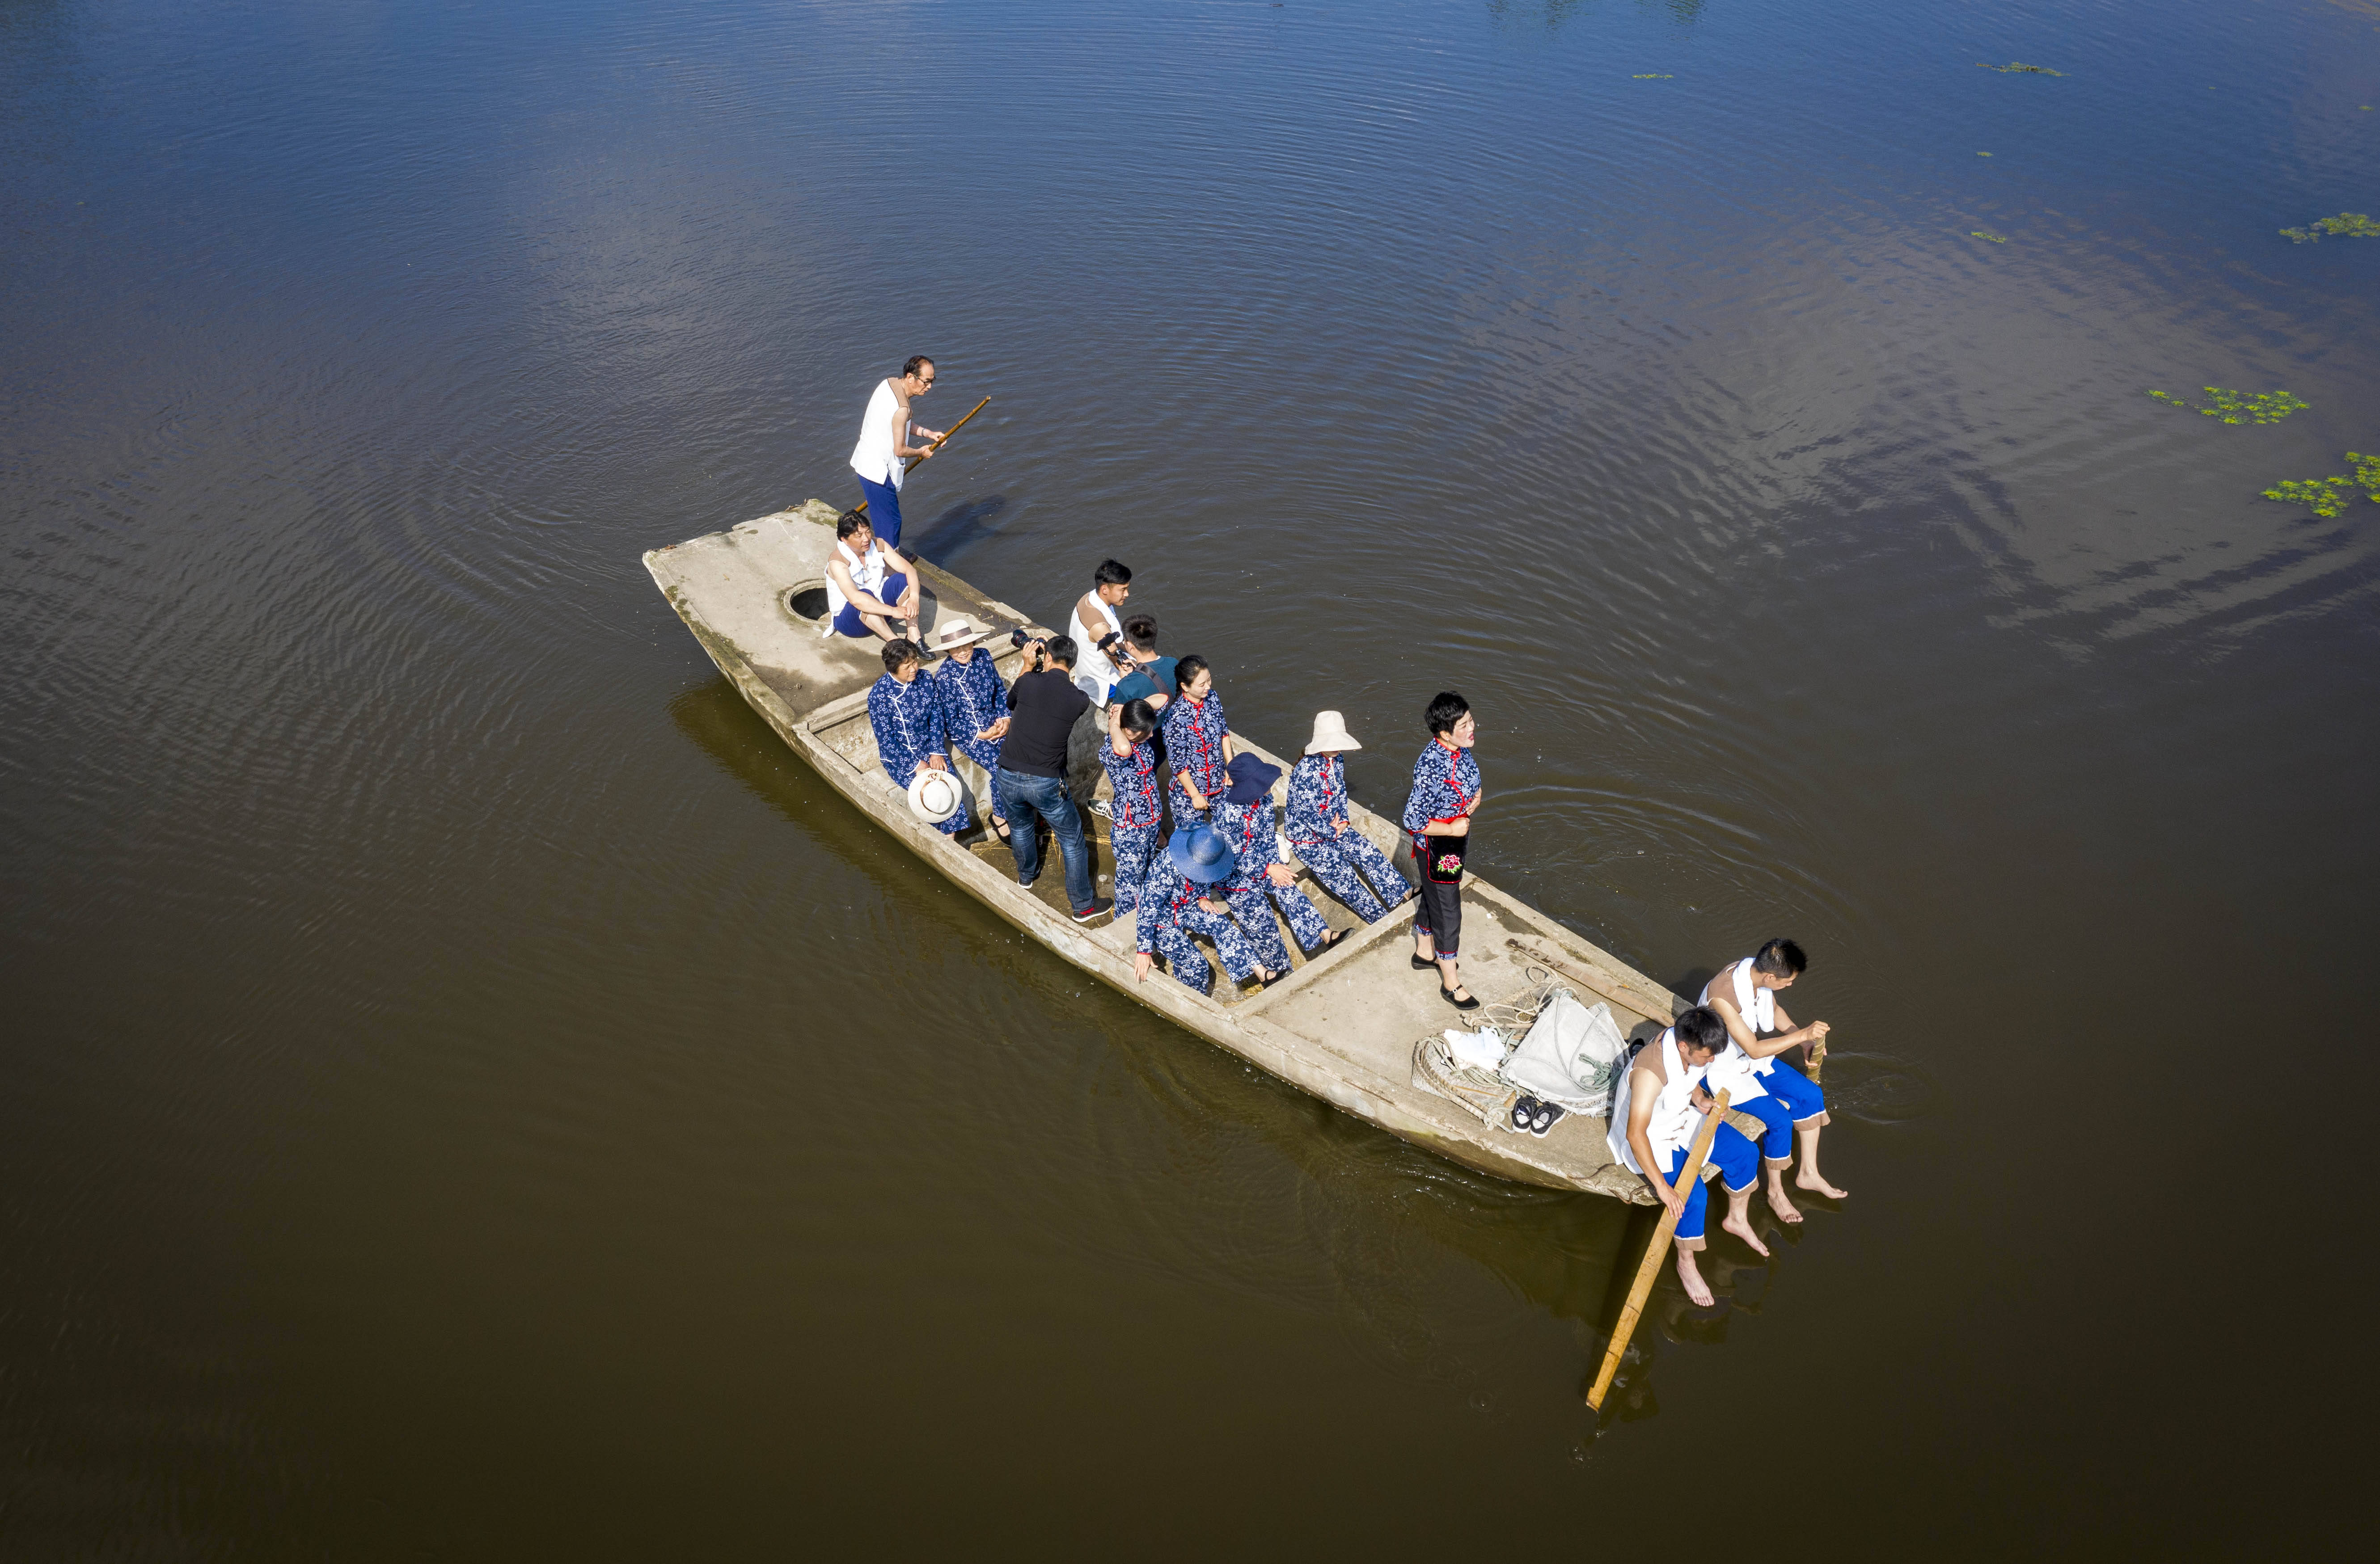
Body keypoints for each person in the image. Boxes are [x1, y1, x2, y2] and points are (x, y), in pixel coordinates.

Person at [1606, 1005, 1767, 1307]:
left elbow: (1691, 1077)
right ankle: (1685, 1261)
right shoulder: (1649, 1075)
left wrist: (1701, 1100)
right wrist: (1663, 1189)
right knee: (1692, 1197)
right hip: (1651, 1138)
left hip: (1679, 1117)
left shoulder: (1687, 1044)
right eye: (1707, 1056)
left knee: (1745, 1153)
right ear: (1684, 1047)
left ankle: (1736, 1218)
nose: (1712, 1061)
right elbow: (1635, 1134)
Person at [1699, 938, 1844, 1211]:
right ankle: (1776, 1193)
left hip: (1749, 1059)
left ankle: (1808, 1174)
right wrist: (1803, 1034)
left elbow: (1775, 1011)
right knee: (1780, 1120)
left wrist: (1799, 1040)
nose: (1790, 985)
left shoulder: (1755, 975)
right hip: (1723, 1070)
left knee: (1810, 1094)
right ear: (1770, 976)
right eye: (1787, 981)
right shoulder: (1722, 997)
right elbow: (1754, 1049)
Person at [994, 635, 1107, 921]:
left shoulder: (1028, 681)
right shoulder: (1079, 700)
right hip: (1046, 782)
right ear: (1073, 663)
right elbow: (1060, 694)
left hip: (1008, 773)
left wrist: (1026, 665)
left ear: (1047, 657)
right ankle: (1083, 907)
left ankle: (1026, 877)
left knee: (1020, 828)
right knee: (1071, 841)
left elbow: (1011, 702)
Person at [1213, 754, 1345, 970]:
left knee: (1288, 889)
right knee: (1260, 919)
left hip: (1265, 861)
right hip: (1234, 874)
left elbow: (1266, 838)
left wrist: (1276, 868)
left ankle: (1325, 934)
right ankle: (1281, 970)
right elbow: (1231, 857)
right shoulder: (1228, 814)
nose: (1268, 786)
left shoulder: (1264, 799)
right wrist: (1267, 869)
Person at [1284, 711, 1410, 923]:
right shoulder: (1305, 771)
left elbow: (1341, 792)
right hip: (1308, 837)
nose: (1338, 747)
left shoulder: (1337, 758)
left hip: (1334, 825)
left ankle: (1401, 893)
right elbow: (1306, 814)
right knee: (1342, 876)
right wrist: (1332, 831)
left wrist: (1343, 820)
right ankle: (1379, 918)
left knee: (1367, 851)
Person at [1403, 690, 1482, 1010]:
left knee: (1436, 896)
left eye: (1470, 719)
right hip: (1439, 844)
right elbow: (1412, 818)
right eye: (1463, 724)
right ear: (1444, 733)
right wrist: (1450, 828)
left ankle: (1424, 951)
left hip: (1455, 836)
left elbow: (1468, 781)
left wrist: (1475, 798)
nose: (1472, 727)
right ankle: (1450, 980)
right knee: (1448, 908)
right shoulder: (1431, 767)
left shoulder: (1459, 750)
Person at [1131, 824, 1280, 995]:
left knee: (1222, 924)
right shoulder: (1167, 867)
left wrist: (1202, 896)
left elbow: (1208, 874)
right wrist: (1143, 950)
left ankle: (1264, 975)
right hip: (1162, 917)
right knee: (1197, 965)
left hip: (1188, 905)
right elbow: (1147, 909)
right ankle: (1191, 1003)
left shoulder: (1208, 848)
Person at [866, 639, 965, 837]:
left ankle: (949, 843)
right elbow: (887, 742)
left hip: (930, 749)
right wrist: (916, 765)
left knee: (948, 796)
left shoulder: (926, 679)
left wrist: (937, 751)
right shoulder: (879, 696)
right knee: (930, 795)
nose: (914, 669)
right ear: (893, 669)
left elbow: (936, 716)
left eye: (915, 662)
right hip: (901, 758)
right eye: (907, 666)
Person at [847, 356, 944, 549]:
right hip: (877, 473)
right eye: (926, 382)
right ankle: (890, 568)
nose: (930, 387)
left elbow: (901, 424)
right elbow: (900, 449)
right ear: (911, 377)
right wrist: (921, 453)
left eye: (932, 381)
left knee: (886, 519)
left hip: (864, 463)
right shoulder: (902, 408)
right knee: (890, 523)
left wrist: (929, 434)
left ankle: (888, 558)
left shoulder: (889, 384)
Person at [928, 616, 1009, 843]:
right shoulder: (945, 677)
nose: (963, 651)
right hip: (971, 735)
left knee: (1024, 757)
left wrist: (1005, 718)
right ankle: (1000, 817)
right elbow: (950, 720)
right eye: (956, 649)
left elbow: (999, 691)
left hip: (996, 723)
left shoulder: (984, 656)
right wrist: (980, 734)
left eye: (966, 645)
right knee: (1001, 769)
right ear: (948, 651)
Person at [1099, 698, 1164, 916]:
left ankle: (1145, 912)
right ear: (1128, 730)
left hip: (1151, 820)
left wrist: (1127, 708)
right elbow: (1124, 748)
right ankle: (1126, 921)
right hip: (1132, 828)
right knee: (1129, 883)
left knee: (1146, 869)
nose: (1151, 735)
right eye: (1146, 732)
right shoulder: (1115, 749)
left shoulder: (1137, 739)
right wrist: (1114, 724)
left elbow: (1163, 699)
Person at [824, 513, 922, 643]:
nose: (866, 539)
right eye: (859, 536)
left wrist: (914, 598)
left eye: (868, 532)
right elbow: (855, 599)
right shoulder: (838, 563)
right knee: (863, 596)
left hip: (881, 609)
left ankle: (914, 636)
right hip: (852, 621)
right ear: (844, 539)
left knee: (901, 580)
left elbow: (909, 569)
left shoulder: (878, 545)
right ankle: (895, 643)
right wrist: (893, 611)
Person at [1161, 655, 1233, 822]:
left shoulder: (1212, 698)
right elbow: (1178, 764)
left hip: (1219, 782)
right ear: (1185, 687)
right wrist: (1195, 796)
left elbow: (1224, 733)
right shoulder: (1176, 719)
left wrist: (1231, 766)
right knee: (1191, 841)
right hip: (1189, 792)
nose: (1208, 687)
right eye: (1201, 685)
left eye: (1209, 680)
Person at [1066, 560, 1134, 704]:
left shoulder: (1089, 598)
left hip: (1084, 670)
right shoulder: (1100, 627)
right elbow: (1119, 662)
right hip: (1101, 683)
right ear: (1105, 590)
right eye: (1123, 590)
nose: (1127, 594)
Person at [1105, 614, 1176, 712]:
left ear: (1130, 645)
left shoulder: (1126, 685)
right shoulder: (1174, 662)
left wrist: (1126, 680)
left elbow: (1120, 719)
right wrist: (1139, 669)